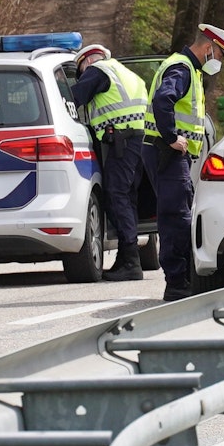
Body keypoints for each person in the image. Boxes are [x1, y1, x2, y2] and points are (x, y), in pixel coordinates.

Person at [142, 23, 224, 301]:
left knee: (179, 213)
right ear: (209, 48)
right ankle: (177, 283)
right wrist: (172, 136)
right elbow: (164, 99)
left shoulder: (188, 69)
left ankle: (180, 279)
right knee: (176, 217)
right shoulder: (182, 68)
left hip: (169, 154)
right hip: (167, 152)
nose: (219, 62)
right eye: (220, 56)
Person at [71, 44, 149, 281]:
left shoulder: (98, 71)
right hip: (136, 141)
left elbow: (73, 99)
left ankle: (131, 262)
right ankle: (127, 259)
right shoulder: (129, 74)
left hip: (119, 143)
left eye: (81, 70)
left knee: (116, 196)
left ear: (87, 61)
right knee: (128, 198)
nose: (83, 74)